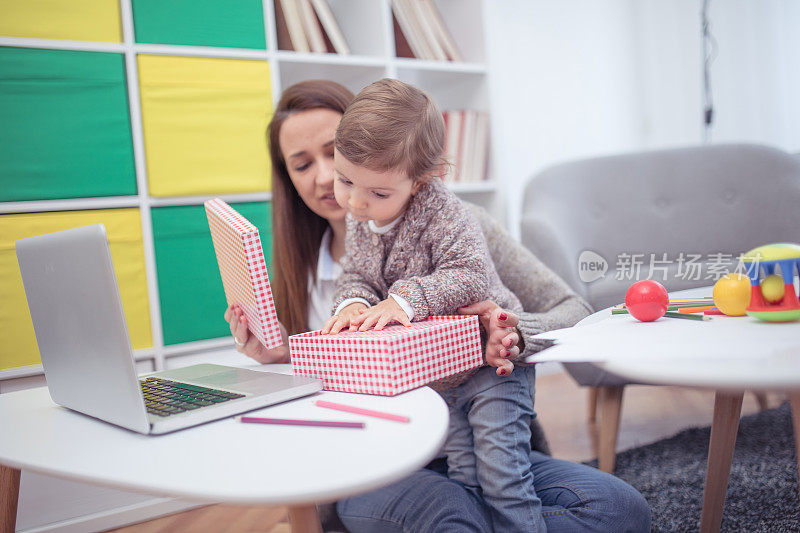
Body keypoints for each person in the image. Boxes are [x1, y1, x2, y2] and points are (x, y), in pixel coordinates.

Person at [224, 79, 651, 532]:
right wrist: (285, 352)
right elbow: (326, 386)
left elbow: (574, 312)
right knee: (454, 515)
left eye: (333, 152)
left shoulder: (458, 224)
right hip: (384, 464)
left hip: (474, 442)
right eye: (302, 164)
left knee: (620, 510)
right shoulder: (299, 272)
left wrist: (505, 330)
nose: (327, 178)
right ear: (286, 177)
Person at [320, 78, 541, 532]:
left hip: (492, 366)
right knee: (464, 480)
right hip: (441, 375)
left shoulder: (446, 214)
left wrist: (404, 299)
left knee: (505, 482)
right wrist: (352, 304)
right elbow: (358, 275)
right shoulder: (362, 219)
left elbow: (470, 275)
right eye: (345, 181)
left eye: (378, 193)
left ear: (424, 180)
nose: (356, 202)